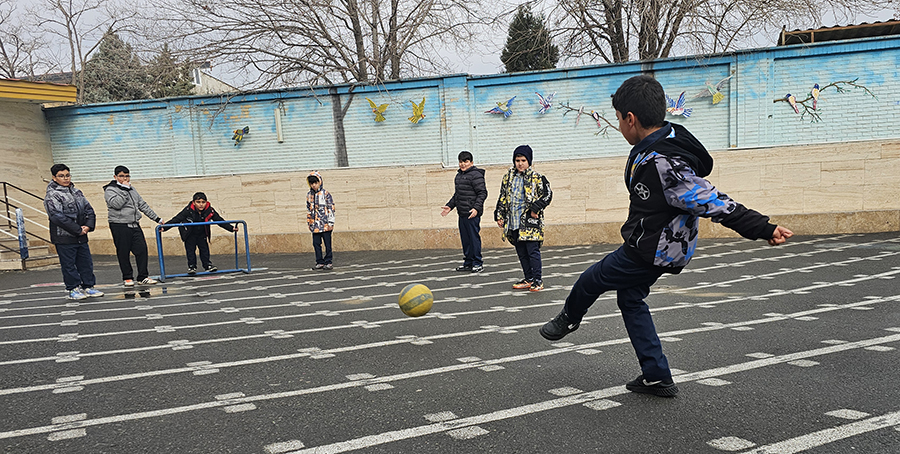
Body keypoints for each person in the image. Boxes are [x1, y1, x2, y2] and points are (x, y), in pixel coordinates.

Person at [539, 75, 794, 398]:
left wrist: (763, 227)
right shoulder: (664, 137)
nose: (619, 127)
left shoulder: (666, 165)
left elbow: (714, 202)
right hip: (657, 242)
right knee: (630, 299)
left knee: (593, 279)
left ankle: (569, 319)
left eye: (619, 120)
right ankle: (656, 375)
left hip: (652, 249)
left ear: (631, 120)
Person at [494, 145, 552, 292]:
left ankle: (537, 280)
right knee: (521, 252)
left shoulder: (537, 178)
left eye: (523, 160)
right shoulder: (507, 178)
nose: (520, 163)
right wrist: (499, 215)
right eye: (517, 160)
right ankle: (528, 278)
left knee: (532, 251)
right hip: (513, 221)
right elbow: (502, 197)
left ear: (529, 161)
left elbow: (547, 195)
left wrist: (535, 208)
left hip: (529, 222)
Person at [44, 164, 104, 300]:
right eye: (61, 176)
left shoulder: (77, 192)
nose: (65, 178)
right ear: (54, 178)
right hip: (64, 237)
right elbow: (57, 216)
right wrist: (77, 230)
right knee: (69, 265)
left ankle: (89, 287)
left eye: (67, 175)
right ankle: (73, 289)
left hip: (81, 236)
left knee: (86, 263)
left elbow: (89, 210)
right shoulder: (52, 195)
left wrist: (87, 227)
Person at [104, 165, 164, 287]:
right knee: (123, 252)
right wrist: (124, 189)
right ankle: (127, 277)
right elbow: (116, 204)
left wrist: (157, 218)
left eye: (127, 176)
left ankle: (142, 276)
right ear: (115, 177)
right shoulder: (110, 190)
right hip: (119, 225)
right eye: (121, 176)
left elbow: (142, 205)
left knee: (142, 250)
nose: (125, 179)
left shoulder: (132, 189)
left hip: (134, 224)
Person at [163, 192, 237, 274]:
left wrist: (231, 228)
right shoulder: (188, 210)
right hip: (189, 233)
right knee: (190, 250)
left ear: (206, 202)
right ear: (194, 202)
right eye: (198, 202)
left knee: (204, 249)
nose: (201, 204)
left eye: (203, 202)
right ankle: (192, 266)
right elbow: (176, 219)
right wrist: (165, 227)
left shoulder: (210, 210)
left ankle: (207, 265)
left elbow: (219, 220)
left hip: (202, 233)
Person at [441, 151, 488, 273]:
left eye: (466, 161)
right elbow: (458, 194)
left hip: (472, 213)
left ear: (471, 162)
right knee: (465, 239)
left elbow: (482, 193)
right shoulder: (459, 176)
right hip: (462, 212)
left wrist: (476, 208)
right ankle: (468, 262)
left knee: (473, 238)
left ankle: (477, 262)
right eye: (461, 161)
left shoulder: (475, 175)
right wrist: (450, 206)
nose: (463, 164)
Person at [307, 171, 335, 270]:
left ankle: (328, 261)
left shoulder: (326, 194)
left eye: (315, 183)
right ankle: (319, 261)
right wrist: (309, 223)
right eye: (311, 183)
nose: (314, 185)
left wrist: (331, 222)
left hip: (326, 224)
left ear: (320, 182)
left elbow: (331, 208)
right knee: (316, 243)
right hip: (315, 225)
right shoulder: (309, 195)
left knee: (327, 244)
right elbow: (309, 209)